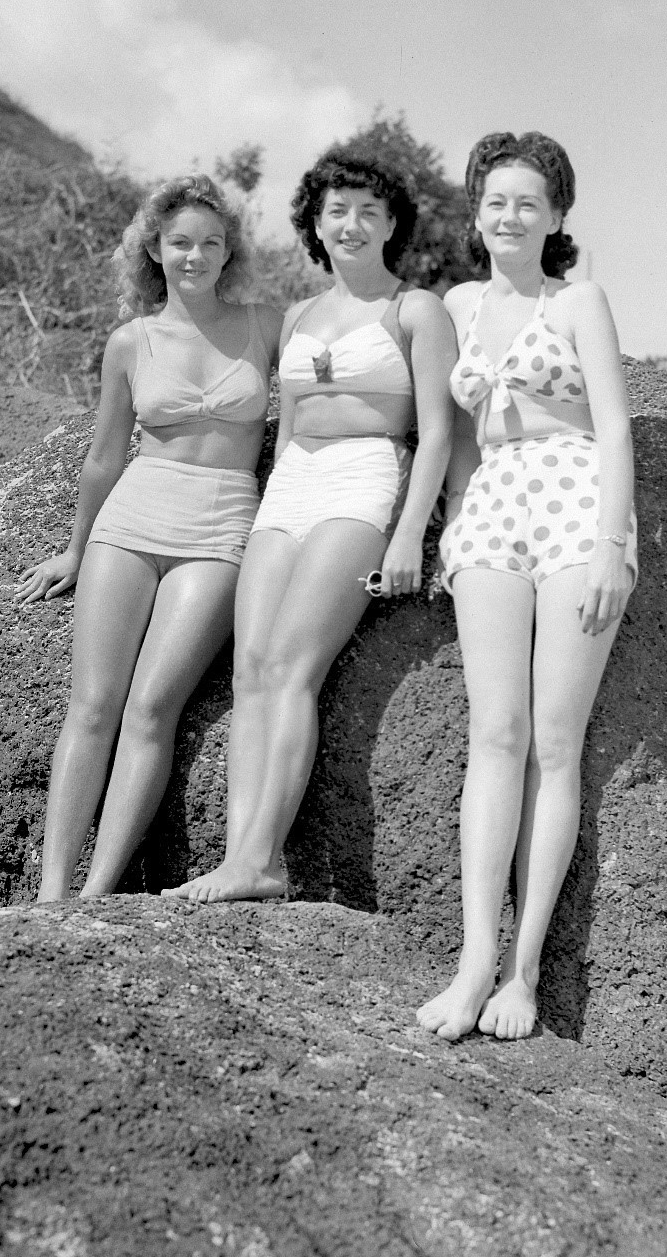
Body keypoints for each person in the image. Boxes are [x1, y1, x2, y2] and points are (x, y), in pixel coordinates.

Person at [163, 149, 457, 903]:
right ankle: (239, 859)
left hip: (364, 477)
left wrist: (406, 534)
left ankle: (261, 859)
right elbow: (286, 427)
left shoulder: (416, 310)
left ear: (392, 224)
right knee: (250, 669)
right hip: (291, 486)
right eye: (336, 211)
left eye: (367, 211)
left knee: (293, 666)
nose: (351, 224)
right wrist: (263, 515)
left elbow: (437, 433)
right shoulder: (298, 316)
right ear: (314, 226)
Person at [417, 131, 638, 1042]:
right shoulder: (457, 304)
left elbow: (618, 432)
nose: (509, 216)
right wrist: (450, 527)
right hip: (492, 513)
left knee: (554, 740)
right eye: (495, 201)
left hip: (575, 502)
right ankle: (472, 961)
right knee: (493, 734)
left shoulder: (578, 299)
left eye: (528, 204)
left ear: (555, 219)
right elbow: (459, 439)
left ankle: (523, 970)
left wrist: (608, 545)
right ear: (476, 211)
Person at [16, 175, 281, 901]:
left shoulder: (265, 326)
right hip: (130, 522)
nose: (194, 256)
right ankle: (48, 894)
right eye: (179, 244)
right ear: (154, 252)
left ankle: (97, 893)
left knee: (151, 708)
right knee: (92, 706)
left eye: (210, 243)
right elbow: (105, 455)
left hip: (222, 526)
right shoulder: (130, 342)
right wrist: (76, 547)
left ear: (229, 253)